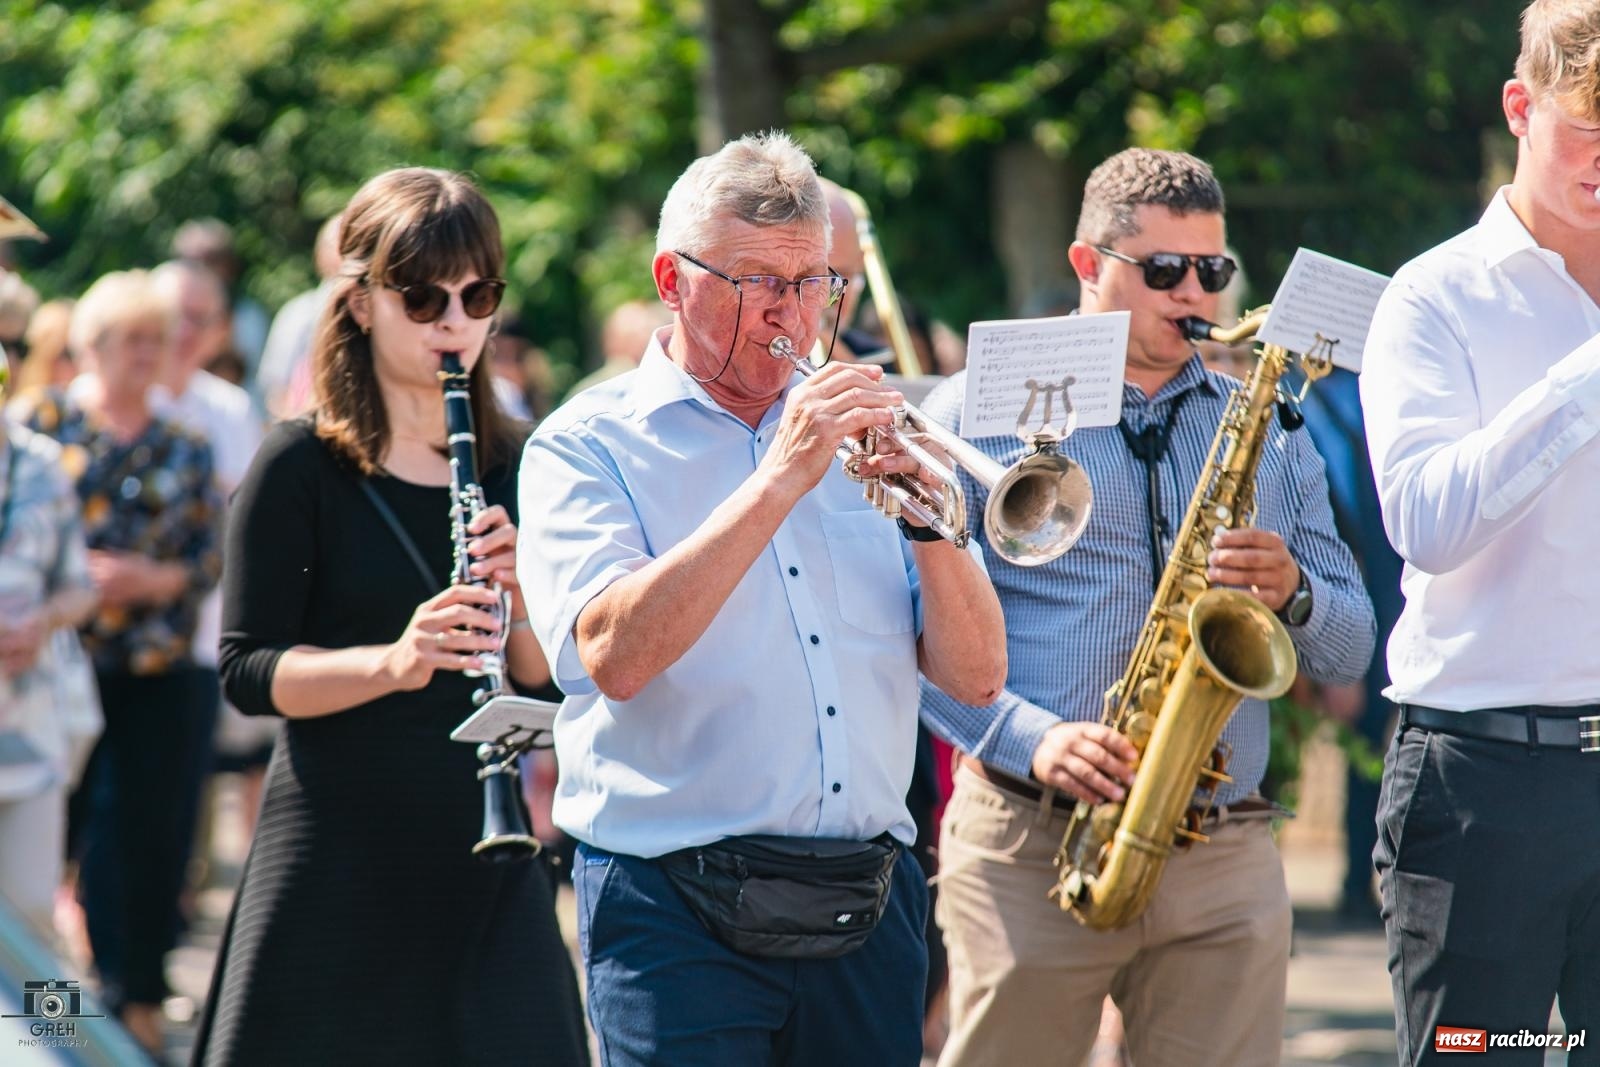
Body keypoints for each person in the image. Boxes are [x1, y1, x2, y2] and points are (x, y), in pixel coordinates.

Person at [517, 131, 1007, 1066]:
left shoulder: (870, 426)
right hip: (674, 911)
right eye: (758, 282)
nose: (794, 314)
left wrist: (926, 523)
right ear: (672, 279)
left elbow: (979, 677)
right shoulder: (584, 445)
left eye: (815, 282)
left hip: (867, 905)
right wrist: (780, 476)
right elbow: (608, 657)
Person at [916, 147, 1375, 1067]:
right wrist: (1028, 736)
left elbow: (1355, 645)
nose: (1194, 294)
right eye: (1163, 270)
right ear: (1089, 265)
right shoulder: (976, 409)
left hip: (1224, 844)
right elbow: (907, 636)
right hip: (1029, 836)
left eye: (1212, 271)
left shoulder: (1270, 423)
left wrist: (1294, 592)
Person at [191, 167, 588, 1067]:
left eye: (478, 294)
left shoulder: (521, 461)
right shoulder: (299, 465)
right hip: (339, 845)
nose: (455, 322)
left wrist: (524, 599)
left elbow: (540, 680)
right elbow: (247, 672)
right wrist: (397, 661)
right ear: (362, 303)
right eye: (422, 297)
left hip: (485, 851)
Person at [1361, 2, 1600, 1060]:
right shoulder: (1433, 297)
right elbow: (1427, 522)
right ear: (1520, 105)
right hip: (1484, 781)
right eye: (1587, 124)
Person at [13, 270, 224, 1055]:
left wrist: (149, 580)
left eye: (155, 339)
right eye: (129, 339)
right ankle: (48, 1020)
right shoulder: (39, 427)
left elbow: (211, 557)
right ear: (90, 344)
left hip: (159, 671)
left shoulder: (187, 441)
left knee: (143, 845)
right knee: (50, 853)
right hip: (54, 672)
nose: (145, 354)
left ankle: (133, 1003)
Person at [0, 344, 99, 939]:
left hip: (30, 731)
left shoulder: (40, 466)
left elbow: (80, 589)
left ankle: (56, 1034)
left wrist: (42, 621)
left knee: (36, 914)